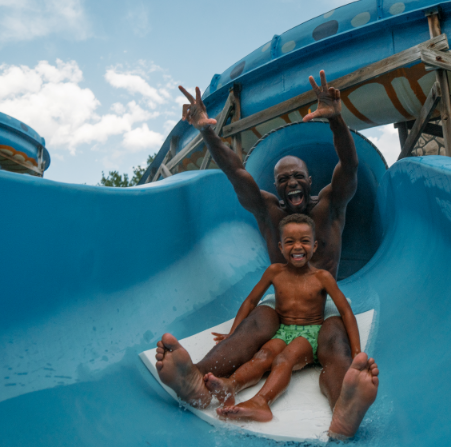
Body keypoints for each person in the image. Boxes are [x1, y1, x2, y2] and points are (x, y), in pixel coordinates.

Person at [155, 70, 378, 439]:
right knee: (257, 321)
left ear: (310, 181)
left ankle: (344, 409)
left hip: (322, 311)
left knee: (335, 339)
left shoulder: (329, 206)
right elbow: (237, 173)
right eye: (283, 179)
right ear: (275, 186)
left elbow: (350, 168)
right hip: (284, 311)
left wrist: (338, 120)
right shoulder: (269, 211)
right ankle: (197, 378)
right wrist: (207, 130)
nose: (291, 183)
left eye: (298, 177)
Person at [204, 215, 369, 425]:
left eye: (305, 241)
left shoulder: (322, 277)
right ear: (281, 247)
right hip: (282, 330)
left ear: (314, 245)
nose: (297, 246)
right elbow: (251, 301)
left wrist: (357, 354)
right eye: (290, 241)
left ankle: (261, 402)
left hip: (310, 334)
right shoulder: (275, 272)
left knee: (285, 359)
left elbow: (345, 312)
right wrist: (233, 334)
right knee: (263, 356)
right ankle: (231, 385)